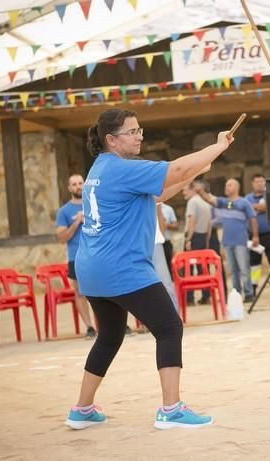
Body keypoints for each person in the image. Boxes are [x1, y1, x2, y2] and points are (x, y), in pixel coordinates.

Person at [65, 108, 232, 430]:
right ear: (112, 140)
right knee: (169, 327)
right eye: (132, 131)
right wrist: (219, 146)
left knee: (110, 336)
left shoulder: (101, 169)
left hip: (94, 270)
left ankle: (82, 409)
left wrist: (193, 173)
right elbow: (178, 167)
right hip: (121, 267)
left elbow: (159, 192)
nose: (140, 135)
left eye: (140, 130)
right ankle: (171, 409)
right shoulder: (121, 169)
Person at [197, 179, 259, 303]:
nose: (226, 187)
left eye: (229, 185)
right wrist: (201, 191)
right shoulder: (223, 202)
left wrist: (255, 236)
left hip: (240, 241)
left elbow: (253, 219)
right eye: (226, 185)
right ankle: (237, 294)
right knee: (233, 270)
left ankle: (249, 293)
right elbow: (210, 199)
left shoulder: (244, 203)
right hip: (227, 242)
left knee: (244, 268)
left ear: (236, 187)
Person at [56, 174, 97, 338]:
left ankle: (113, 326)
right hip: (76, 257)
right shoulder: (64, 211)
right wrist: (76, 222)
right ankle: (89, 327)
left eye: (80, 183)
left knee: (105, 290)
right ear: (69, 188)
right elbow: (61, 238)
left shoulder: (94, 204)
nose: (78, 186)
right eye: (74, 184)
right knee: (80, 293)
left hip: (96, 255)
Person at [245, 174, 270, 298]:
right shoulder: (247, 198)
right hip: (253, 235)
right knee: (254, 264)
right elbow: (247, 210)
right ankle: (252, 289)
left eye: (262, 181)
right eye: (256, 181)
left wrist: (254, 208)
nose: (259, 184)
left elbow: (269, 207)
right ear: (252, 183)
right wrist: (259, 208)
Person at [182, 182, 213, 304]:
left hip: (193, 236)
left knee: (187, 268)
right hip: (203, 236)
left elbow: (192, 221)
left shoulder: (192, 202)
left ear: (193, 190)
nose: (183, 192)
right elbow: (209, 224)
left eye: (185, 190)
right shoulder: (205, 203)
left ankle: (189, 298)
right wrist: (206, 240)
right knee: (203, 267)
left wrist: (189, 239)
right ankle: (206, 296)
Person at [159, 202, 178, 277]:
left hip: (166, 242)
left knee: (169, 267)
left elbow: (176, 226)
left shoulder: (168, 209)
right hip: (154, 244)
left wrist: (166, 224)